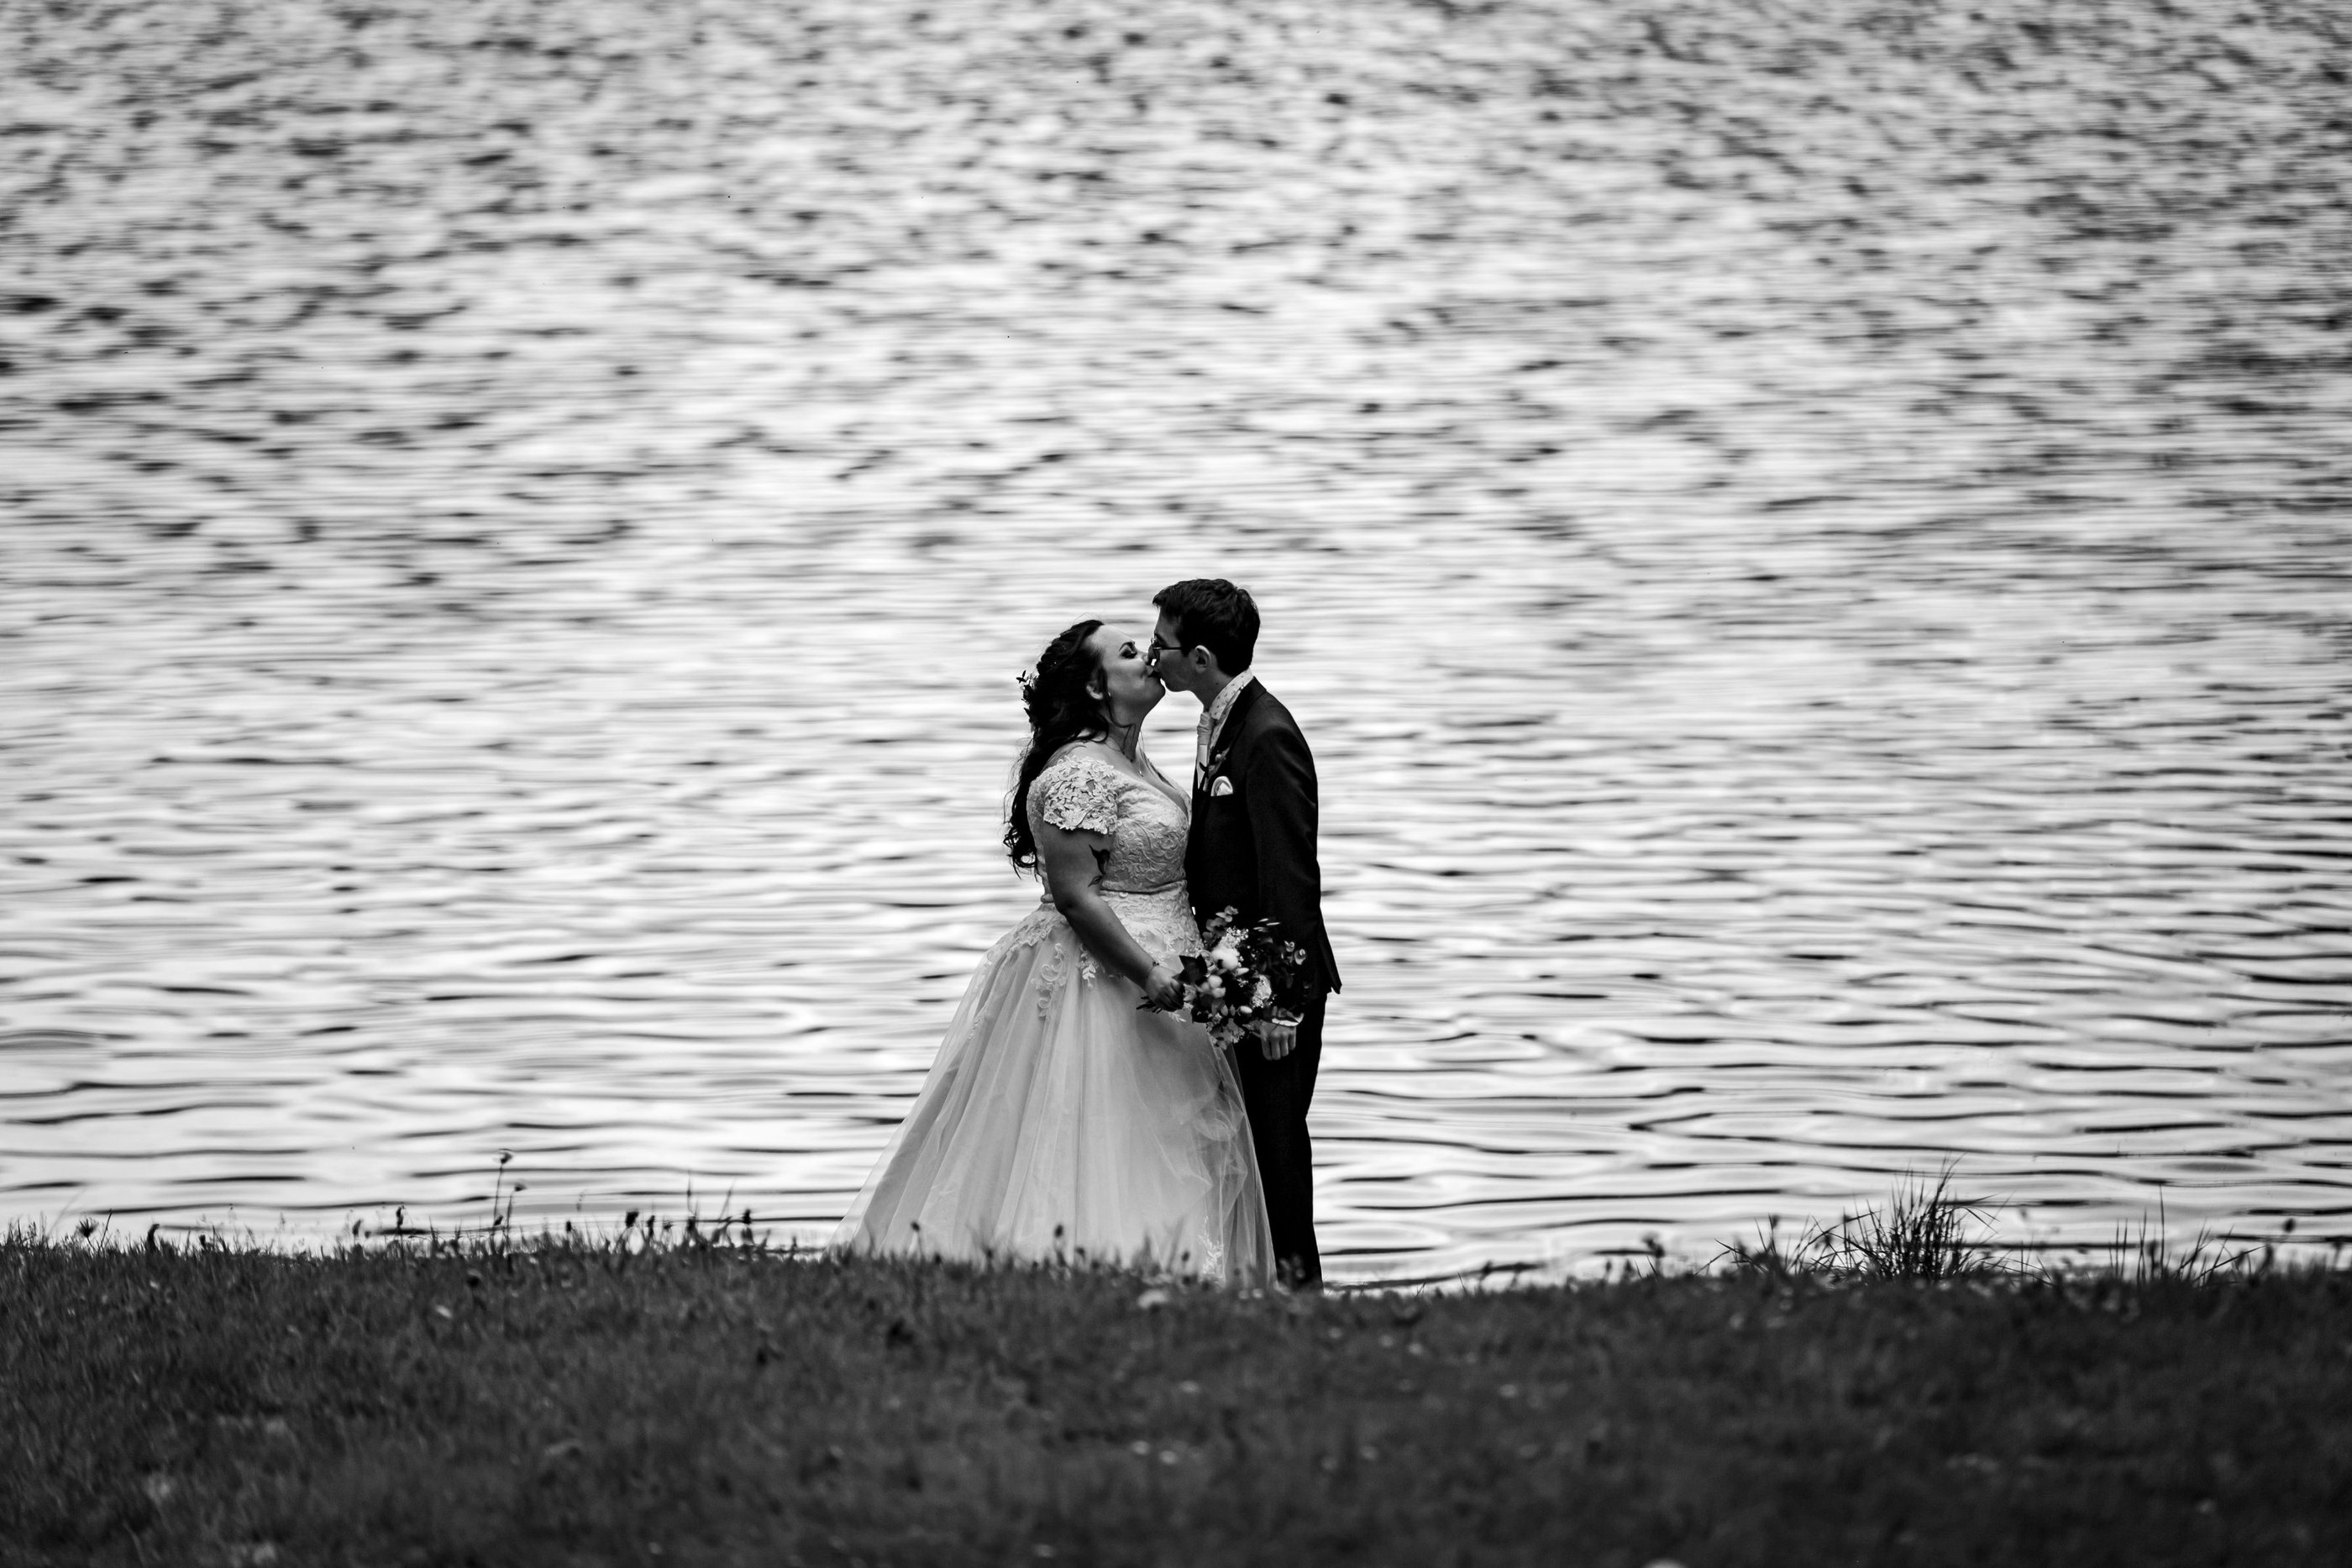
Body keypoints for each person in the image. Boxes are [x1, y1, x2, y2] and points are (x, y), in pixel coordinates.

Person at [833, 619, 1273, 1285]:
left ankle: (1174, 1283)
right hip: (1107, 981)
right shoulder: (1077, 772)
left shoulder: (1136, 761)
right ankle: (1088, 1279)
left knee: (1162, 1145)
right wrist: (1150, 972)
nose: (1150, 655)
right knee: (1092, 1135)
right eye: (1130, 652)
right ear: (1096, 686)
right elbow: (1076, 896)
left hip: (1170, 980)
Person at [1149, 579, 1341, 1289]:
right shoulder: (1220, 720)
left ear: (1200, 658)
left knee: (1277, 1149)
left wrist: (1277, 1006)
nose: (1154, 660)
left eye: (1163, 647)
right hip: (1243, 980)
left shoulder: (1269, 735)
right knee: (1253, 1147)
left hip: (1276, 989)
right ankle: (1266, 1289)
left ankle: (1302, 1295)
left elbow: (1290, 880)